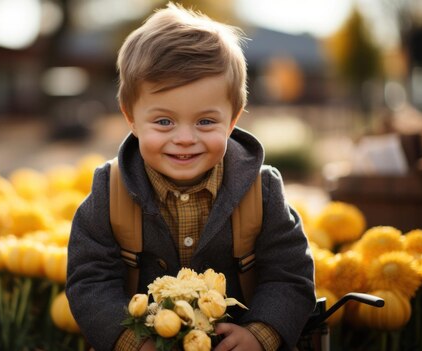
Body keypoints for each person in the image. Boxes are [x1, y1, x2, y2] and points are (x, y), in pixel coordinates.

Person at [66, 2, 315, 350]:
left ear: (232, 120)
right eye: (164, 121)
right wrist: (129, 341)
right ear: (131, 118)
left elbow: (289, 275)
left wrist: (261, 333)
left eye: (205, 122)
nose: (185, 138)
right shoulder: (110, 193)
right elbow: (90, 282)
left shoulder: (262, 190)